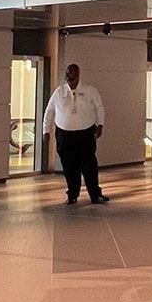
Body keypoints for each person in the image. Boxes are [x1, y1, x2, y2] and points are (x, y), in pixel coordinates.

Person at [43, 64, 109, 204]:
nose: (68, 76)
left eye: (71, 73)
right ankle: (72, 194)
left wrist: (100, 125)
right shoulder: (59, 91)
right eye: (67, 73)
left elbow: (100, 108)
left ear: (78, 74)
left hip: (85, 134)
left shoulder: (90, 91)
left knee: (89, 165)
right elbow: (49, 111)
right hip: (64, 135)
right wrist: (46, 130)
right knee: (69, 166)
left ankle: (95, 195)